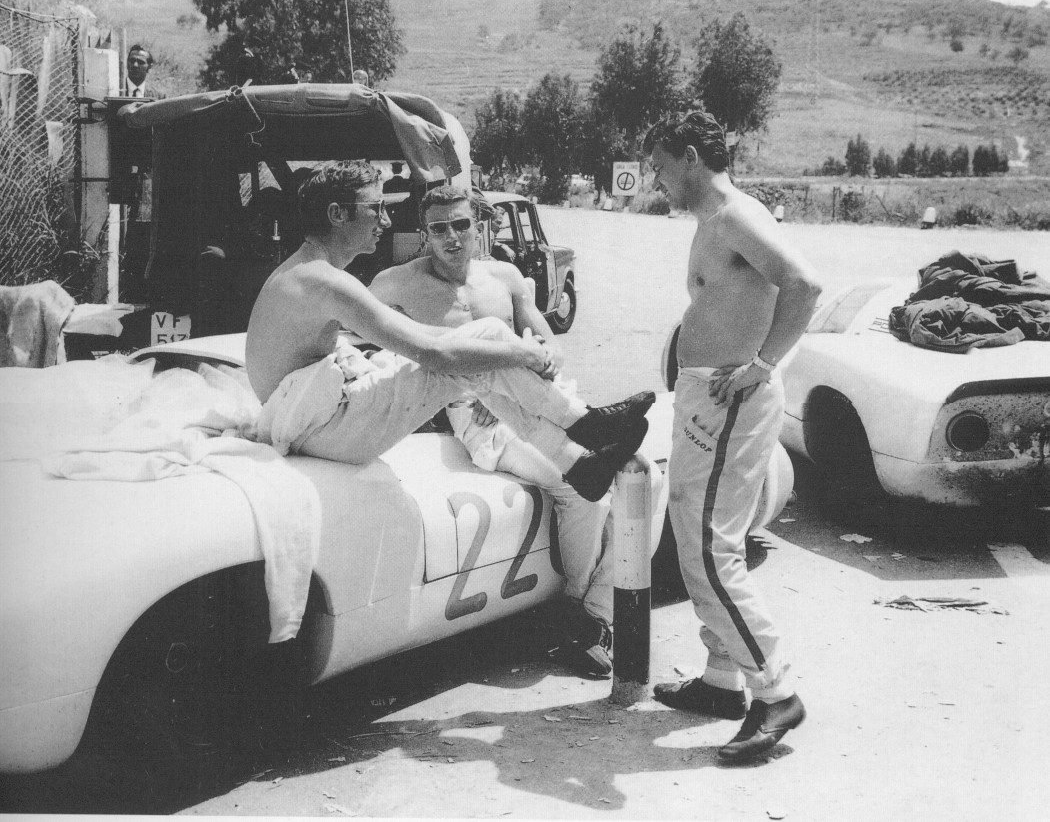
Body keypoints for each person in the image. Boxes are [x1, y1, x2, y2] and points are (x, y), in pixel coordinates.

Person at [245, 160, 654, 507]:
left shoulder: (307, 273)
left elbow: (427, 338)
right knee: (481, 343)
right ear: (337, 214)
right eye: (376, 208)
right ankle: (585, 427)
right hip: (323, 430)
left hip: (313, 423)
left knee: (484, 338)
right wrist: (523, 353)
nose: (386, 221)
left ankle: (579, 460)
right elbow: (434, 353)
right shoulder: (326, 282)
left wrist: (501, 348)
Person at [370, 185, 628, 676]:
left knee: (637, 477)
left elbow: (550, 346)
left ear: (479, 226)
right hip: (476, 414)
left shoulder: (506, 278)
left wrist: (545, 360)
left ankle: (592, 614)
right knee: (583, 487)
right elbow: (366, 349)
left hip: (533, 399)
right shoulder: (395, 285)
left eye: (461, 224)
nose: (452, 237)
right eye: (439, 228)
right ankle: (579, 613)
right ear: (424, 234)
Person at [642, 112, 822, 762]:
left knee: (705, 548)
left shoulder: (733, 217)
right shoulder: (715, 220)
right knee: (709, 535)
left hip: (727, 400)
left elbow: (805, 284)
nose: (656, 180)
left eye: (661, 167)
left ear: (691, 156)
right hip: (711, 396)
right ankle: (723, 679)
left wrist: (762, 365)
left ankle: (776, 692)